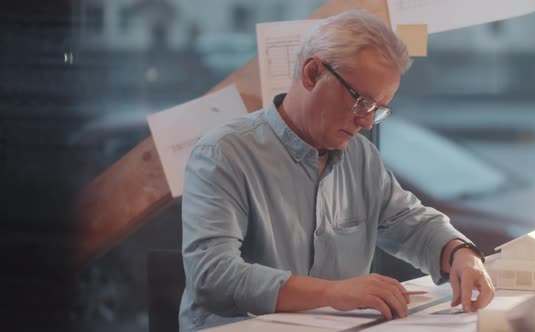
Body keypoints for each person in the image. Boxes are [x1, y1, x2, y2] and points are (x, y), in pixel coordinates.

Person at [179, 10, 495, 331]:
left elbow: (411, 224)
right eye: (361, 102)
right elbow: (212, 274)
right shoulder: (224, 153)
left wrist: (462, 254)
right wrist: (334, 292)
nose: (367, 121)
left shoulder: (361, 157)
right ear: (312, 73)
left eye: (378, 109)